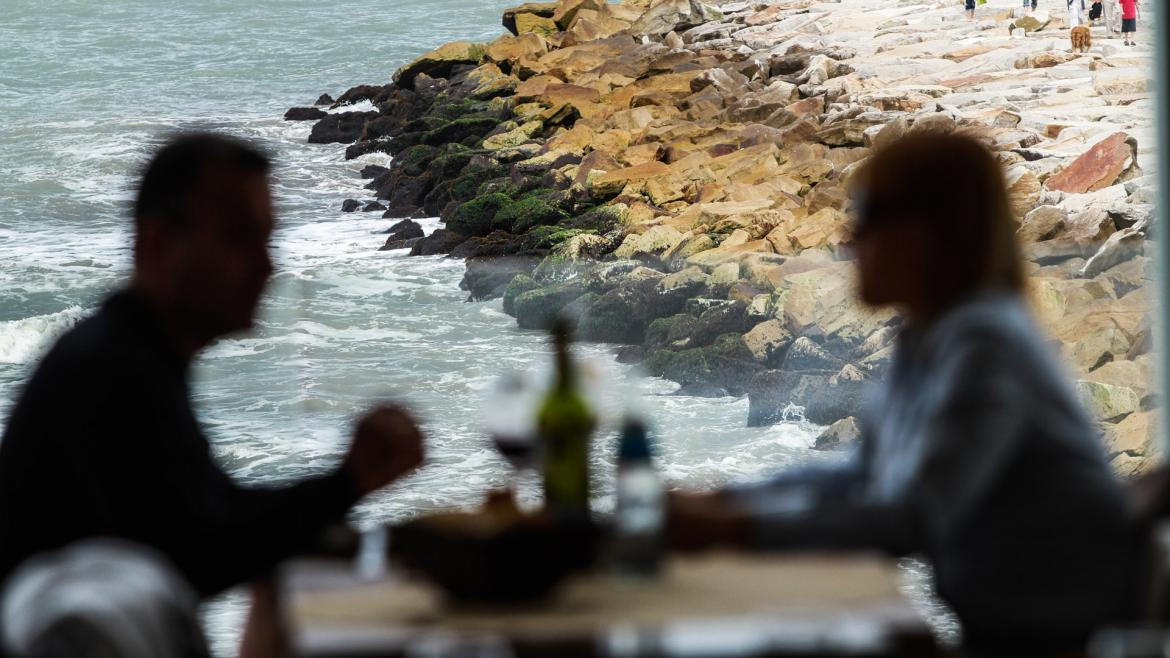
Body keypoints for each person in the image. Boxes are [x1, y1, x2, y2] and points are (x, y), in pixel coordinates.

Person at [668, 133, 1135, 656]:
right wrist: (726, 500)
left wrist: (734, 528)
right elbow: (862, 474)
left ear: (930, 235)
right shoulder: (933, 336)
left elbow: (910, 517)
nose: (848, 241)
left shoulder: (986, 345)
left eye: (867, 219)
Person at [0, 133, 426, 597]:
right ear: (159, 245)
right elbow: (201, 553)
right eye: (241, 238)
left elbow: (213, 519)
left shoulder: (129, 353)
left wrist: (346, 483)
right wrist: (347, 483)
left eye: (267, 239)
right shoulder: (111, 374)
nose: (267, 267)